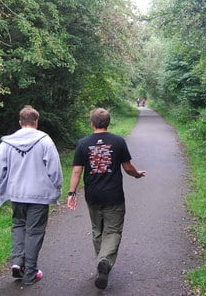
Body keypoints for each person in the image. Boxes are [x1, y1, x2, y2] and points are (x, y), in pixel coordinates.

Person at [66, 108, 146, 290]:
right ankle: (104, 261)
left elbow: (77, 171)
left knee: (97, 229)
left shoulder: (83, 143)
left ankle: (102, 261)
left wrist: (71, 193)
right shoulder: (118, 141)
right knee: (113, 231)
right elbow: (127, 167)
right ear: (108, 123)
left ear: (92, 123)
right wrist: (137, 175)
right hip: (114, 195)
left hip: (93, 195)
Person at [0, 105, 63, 286]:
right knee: (34, 232)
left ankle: (17, 262)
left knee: (18, 227)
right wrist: (57, 186)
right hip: (39, 195)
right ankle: (30, 273)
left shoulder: (7, 143)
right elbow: (54, 169)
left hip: (17, 194)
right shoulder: (45, 141)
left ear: (20, 122)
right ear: (36, 122)